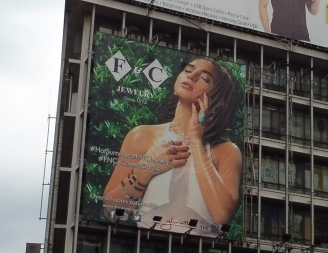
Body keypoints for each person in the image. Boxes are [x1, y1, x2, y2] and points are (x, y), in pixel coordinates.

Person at [101, 57, 243, 235]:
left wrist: (196, 141)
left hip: (203, 250)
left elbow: (223, 216)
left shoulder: (227, 151)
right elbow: (110, 211)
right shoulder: (141, 136)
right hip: (144, 246)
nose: (191, 76)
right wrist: (146, 168)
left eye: (205, 78)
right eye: (188, 70)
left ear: (220, 100)